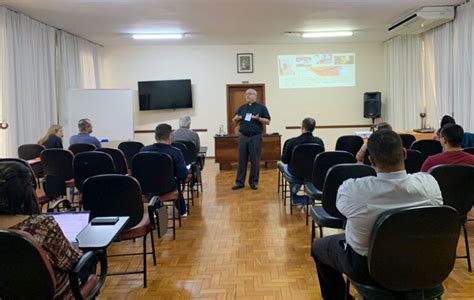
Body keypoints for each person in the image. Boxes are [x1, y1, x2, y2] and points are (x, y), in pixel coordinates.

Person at [311, 130, 442, 300]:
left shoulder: (353, 190)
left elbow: (338, 211)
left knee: (319, 247)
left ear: (371, 160)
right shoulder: (429, 183)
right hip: (422, 265)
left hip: (369, 269)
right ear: (404, 153)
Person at [0, 161, 84, 299]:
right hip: (55, 294)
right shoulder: (40, 225)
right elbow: (72, 262)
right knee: (87, 262)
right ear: (25, 192)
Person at [141, 123, 188, 216]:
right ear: (170, 136)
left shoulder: (143, 150)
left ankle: (154, 209)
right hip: (168, 187)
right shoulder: (175, 152)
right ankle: (182, 211)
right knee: (176, 183)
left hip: (147, 188)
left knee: (153, 182)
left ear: (155, 136)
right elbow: (183, 174)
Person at [231, 89, 271, 190]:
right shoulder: (242, 108)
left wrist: (258, 119)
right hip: (243, 136)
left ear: (255, 96)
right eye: (246, 94)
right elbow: (234, 121)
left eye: (250, 94)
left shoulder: (261, 108)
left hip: (255, 137)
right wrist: (236, 119)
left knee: (255, 160)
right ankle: (239, 182)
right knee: (242, 160)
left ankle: (253, 182)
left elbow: (268, 121)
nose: (247, 96)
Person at [280, 117, 324, 204]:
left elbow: (284, 160)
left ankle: (294, 193)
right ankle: (308, 192)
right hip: (312, 173)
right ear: (313, 128)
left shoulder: (292, 142)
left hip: (295, 173)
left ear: (302, 127)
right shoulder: (319, 142)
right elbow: (320, 159)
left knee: (285, 167)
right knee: (304, 170)